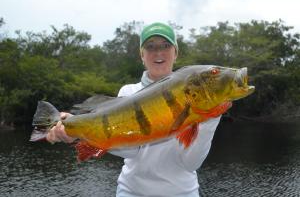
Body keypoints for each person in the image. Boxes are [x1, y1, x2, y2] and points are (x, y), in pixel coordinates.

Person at [47, 22, 221, 197]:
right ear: (142, 55)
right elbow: (131, 151)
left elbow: (191, 163)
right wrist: (76, 130)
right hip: (131, 192)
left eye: (166, 46)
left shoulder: (197, 97)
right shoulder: (128, 92)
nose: (158, 52)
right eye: (150, 47)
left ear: (176, 52)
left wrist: (210, 120)